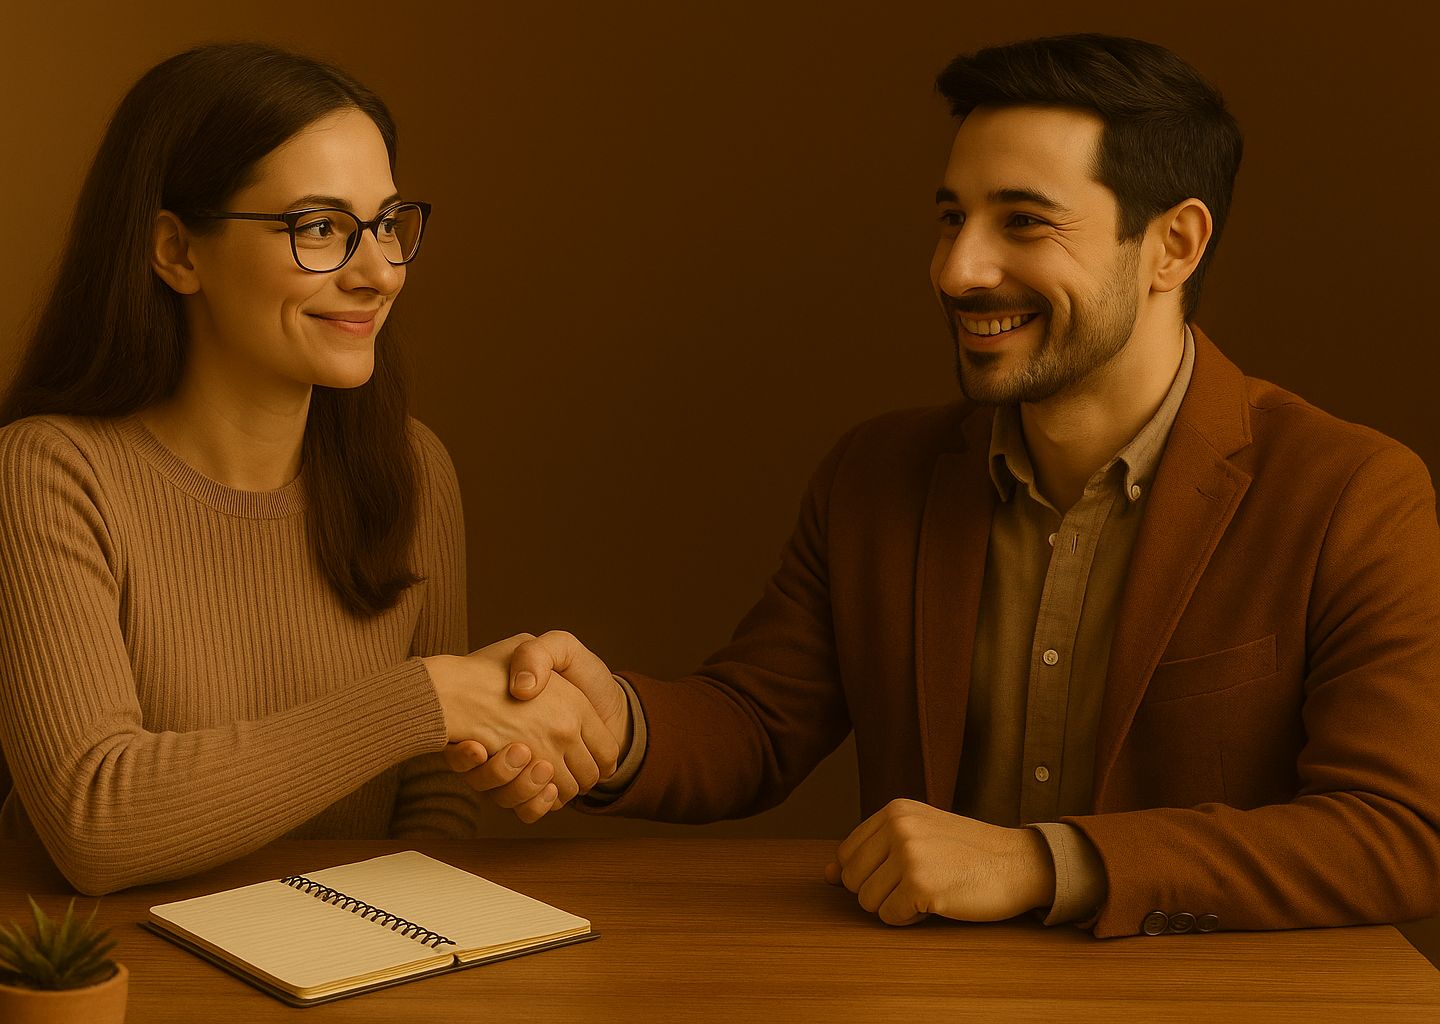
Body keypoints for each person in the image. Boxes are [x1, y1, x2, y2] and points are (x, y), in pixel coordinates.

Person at [448, 34, 1440, 937]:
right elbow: (754, 726)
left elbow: (1400, 835)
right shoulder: (876, 475)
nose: (959, 269)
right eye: (953, 217)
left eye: (1024, 223)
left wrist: (1046, 861)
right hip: (920, 995)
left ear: (1175, 245)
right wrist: (610, 721)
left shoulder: (1354, 494)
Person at [0, 43, 616, 896]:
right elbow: (96, 824)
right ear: (176, 252)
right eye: (320, 228)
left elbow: (435, 806)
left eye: (386, 225)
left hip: (344, 964)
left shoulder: (414, 468)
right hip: (109, 969)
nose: (379, 272)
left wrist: (492, 747)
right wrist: (428, 699)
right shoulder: (44, 472)